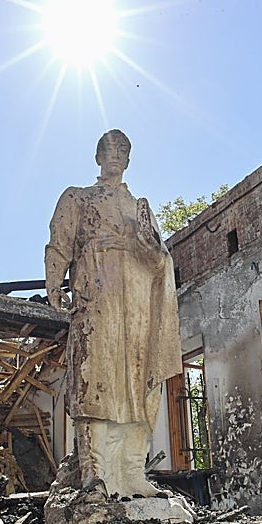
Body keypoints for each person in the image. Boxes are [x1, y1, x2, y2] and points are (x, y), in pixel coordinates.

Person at [45, 129, 183, 499]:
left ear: (129, 158)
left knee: (138, 383)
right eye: (109, 150)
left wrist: (149, 247)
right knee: (95, 378)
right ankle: (94, 472)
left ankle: (132, 472)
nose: (116, 156)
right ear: (97, 157)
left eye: (123, 150)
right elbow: (60, 242)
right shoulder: (79, 197)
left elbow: (159, 261)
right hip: (98, 294)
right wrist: (54, 284)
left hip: (137, 300)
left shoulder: (140, 206)